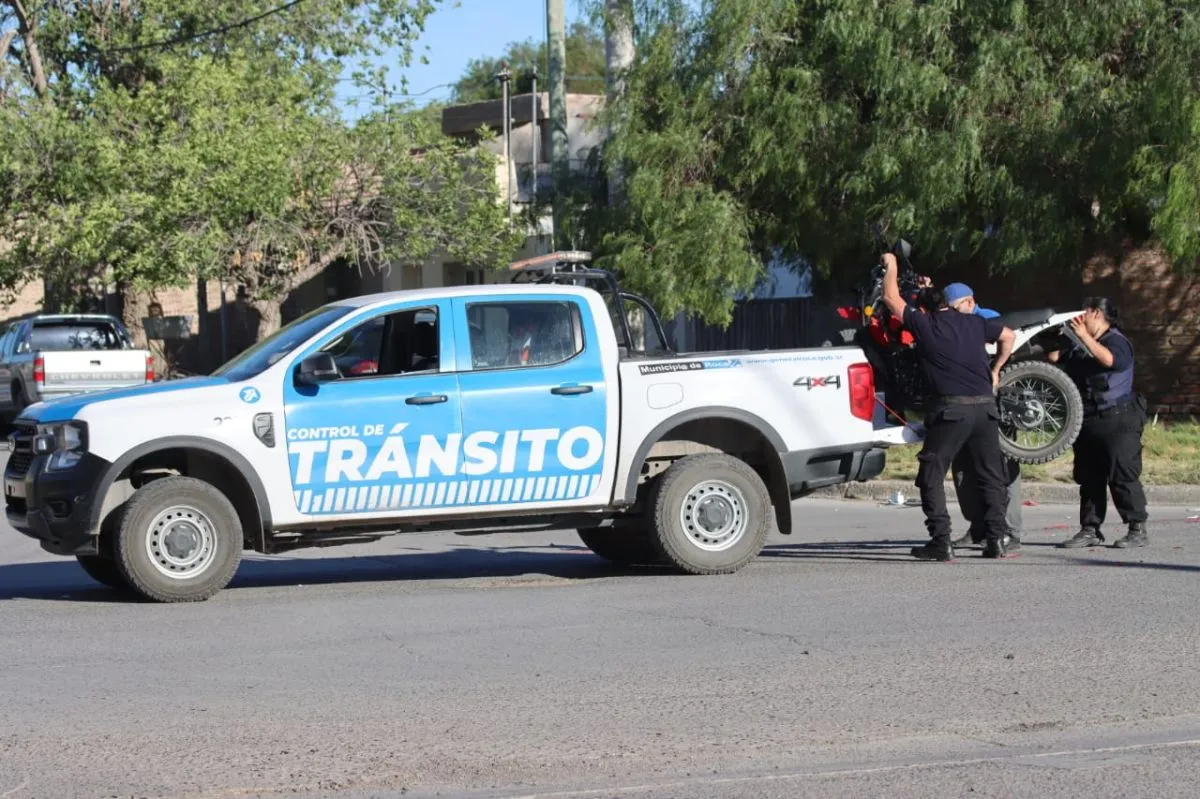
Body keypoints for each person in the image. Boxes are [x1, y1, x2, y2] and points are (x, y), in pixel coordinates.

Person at [880, 254, 1017, 560]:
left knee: (931, 471)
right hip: (985, 409)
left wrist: (891, 264)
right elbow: (1009, 336)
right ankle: (997, 538)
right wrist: (996, 370)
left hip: (951, 410)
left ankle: (941, 540)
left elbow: (890, 297)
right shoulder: (976, 322)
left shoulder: (925, 324)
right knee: (990, 473)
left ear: (925, 309)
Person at [1050, 297, 1150, 548]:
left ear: (1095, 313)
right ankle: (1090, 529)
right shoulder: (1079, 342)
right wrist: (1058, 335)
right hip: (1087, 418)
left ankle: (1137, 528)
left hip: (1119, 417)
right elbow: (1053, 358)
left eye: (1083, 313)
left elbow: (1110, 361)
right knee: (1089, 477)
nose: (1079, 319)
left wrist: (1084, 337)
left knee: (1122, 474)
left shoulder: (1117, 341)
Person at [942, 282, 1024, 550]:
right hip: (968, 405)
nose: (955, 312)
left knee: (1001, 469)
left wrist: (996, 369)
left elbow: (1007, 340)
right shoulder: (955, 323)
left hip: (1000, 403)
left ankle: (1008, 530)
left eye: (958, 307)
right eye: (950, 308)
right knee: (964, 468)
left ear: (970, 301)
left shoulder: (988, 319)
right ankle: (978, 527)